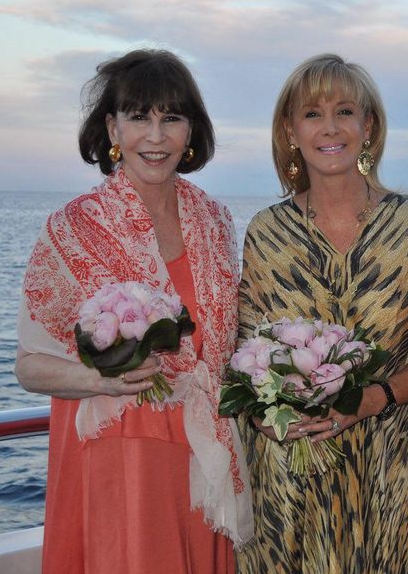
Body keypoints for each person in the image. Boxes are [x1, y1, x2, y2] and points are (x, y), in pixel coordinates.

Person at [14, 50, 252, 573]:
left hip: (202, 457)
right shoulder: (73, 229)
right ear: (112, 128)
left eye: (172, 117)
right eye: (140, 116)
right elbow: (29, 366)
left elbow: (222, 347)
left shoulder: (214, 220)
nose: (156, 136)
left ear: (191, 131)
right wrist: (102, 379)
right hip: (119, 463)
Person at [236, 53, 408, 573]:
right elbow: (243, 353)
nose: (330, 128)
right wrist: (268, 419)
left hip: (391, 476)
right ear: (290, 130)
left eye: (344, 112)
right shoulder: (267, 233)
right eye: (312, 114)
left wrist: (370, 400)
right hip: (290, 477)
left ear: (367, 126)